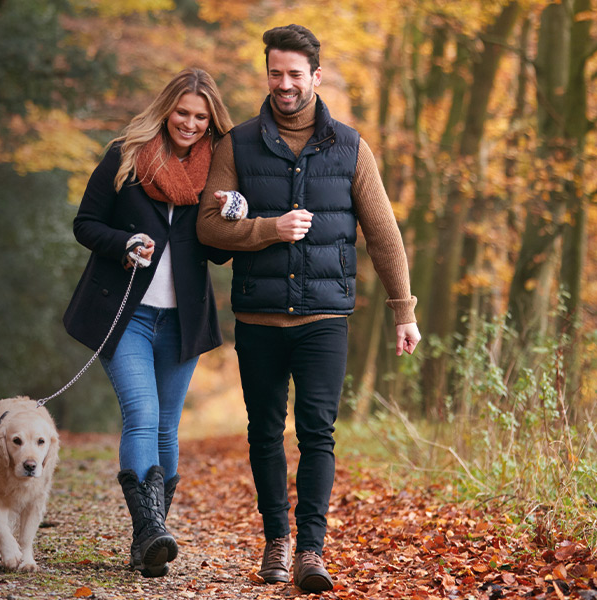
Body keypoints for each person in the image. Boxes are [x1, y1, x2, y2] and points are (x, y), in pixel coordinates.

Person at [196, 25, 422, 592]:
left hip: (325, 319)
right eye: (276, 73)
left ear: (316, 77)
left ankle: (312, 551)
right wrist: (268, 230)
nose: (285, 84)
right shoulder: (237, 145)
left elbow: (384, 233)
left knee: (318, 433)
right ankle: (277, 541)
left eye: (296, 74)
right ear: (267, 74)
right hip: (258, 318)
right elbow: (207, 227)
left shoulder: (350, 147)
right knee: (265, 433)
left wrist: (404, 310)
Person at [63, 67, 234, 578]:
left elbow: (220, 255)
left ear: (210, 122)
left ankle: (149, 537)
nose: (190, 123)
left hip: (183, 321)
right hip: (126, 314)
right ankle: (150, 532)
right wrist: (124, 244)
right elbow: (85, 223)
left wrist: (230, 214)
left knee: (167, 425)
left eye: (201, 117)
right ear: (166, 109)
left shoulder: (218, 172)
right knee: (141, 413)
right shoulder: (126, 156)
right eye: (183, 112)